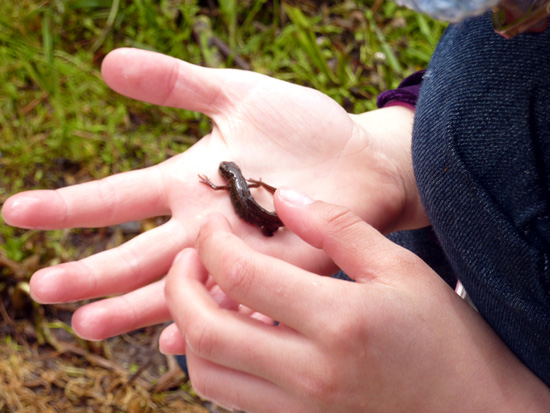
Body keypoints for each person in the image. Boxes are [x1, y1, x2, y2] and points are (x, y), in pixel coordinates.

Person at [2, 0, 550, 410]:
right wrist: (391, 156)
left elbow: (241, 194)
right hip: (438, 231)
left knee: (272, 342)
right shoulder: (510, 61)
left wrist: (479, 397)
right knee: (227, 333)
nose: (510, 18)